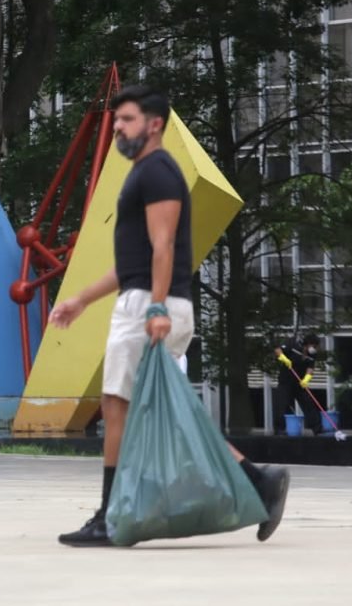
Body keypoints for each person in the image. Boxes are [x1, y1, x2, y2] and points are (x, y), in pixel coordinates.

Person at [49, 85, 289, 547]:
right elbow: (132, 261)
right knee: (157, 411)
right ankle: (259, 480)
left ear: (154, 124)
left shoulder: (157, 171)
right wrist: (82, 299)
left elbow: (163, 247)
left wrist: (156, 308)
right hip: (145, 299)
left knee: (117, 406)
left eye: (127, 120)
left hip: (150, 305)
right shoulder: (145, 173)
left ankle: (110, 518)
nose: (118, 127)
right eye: (116, 120)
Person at [274, 334, 322, 435]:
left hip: (300, 383)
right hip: (286, 381)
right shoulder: (293, 345)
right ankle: (280, 429)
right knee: (281, 405)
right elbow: (278, 350)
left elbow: (310, 368)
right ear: (308, 344)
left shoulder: (312, 355)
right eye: (315, 346)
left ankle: (317, 429)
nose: (316, 348)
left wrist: (306, 379)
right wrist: (283, 358)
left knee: (309, 404)